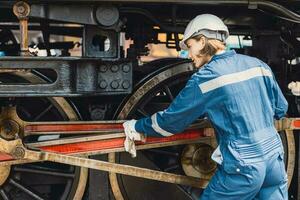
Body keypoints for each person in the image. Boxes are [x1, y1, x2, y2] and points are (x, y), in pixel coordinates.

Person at [123, 14, 288, 200]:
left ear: (202, 41)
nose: (189, 54)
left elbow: (170, 122)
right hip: (275, 159)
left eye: (190, 46)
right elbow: (280, 109)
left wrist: (135, 126)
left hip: (244, 165)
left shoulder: (207, 78)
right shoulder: (259, 65)